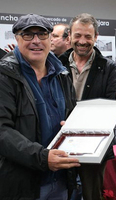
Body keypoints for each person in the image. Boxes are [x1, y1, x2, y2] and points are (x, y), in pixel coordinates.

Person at [0, 13, 80, 199]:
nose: (36, 41)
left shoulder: (62, 74)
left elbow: (72, 115)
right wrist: (42, 158)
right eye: (28, 35)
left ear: (50, 38)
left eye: (42, 34)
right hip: (22, 184)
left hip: (62, 180)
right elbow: (2, 131)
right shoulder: (5, 76)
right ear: (17, 39)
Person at [59, 13, 116, 200]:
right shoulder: (55, 64)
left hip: (95, 147)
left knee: (92, 194)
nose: (82, 41)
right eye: (78, 35)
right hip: (60, 142)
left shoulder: (110, 68)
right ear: (70, 36)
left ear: (96, 37)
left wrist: (76, 124)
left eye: (88, 36)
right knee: (62, 192)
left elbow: (112, 109)